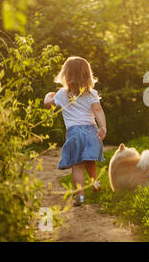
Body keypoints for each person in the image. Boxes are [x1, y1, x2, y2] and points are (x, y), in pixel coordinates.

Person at [44, 56, 107, 207]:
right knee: (90, 161)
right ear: (87, 74)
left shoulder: (62, 94)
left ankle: (80, 197)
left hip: (74, 134)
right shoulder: (91, 93)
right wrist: (103, 126)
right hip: (91, 131)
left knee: (78, 166)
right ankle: (95, 183)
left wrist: (49, 95)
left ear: (65, 75)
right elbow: (97, 110)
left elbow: (48, 105)